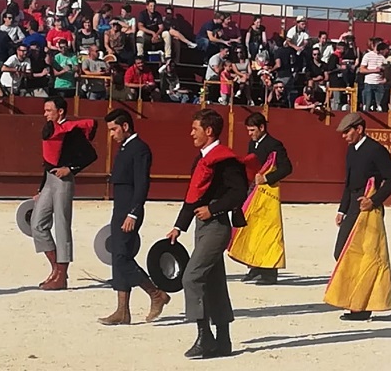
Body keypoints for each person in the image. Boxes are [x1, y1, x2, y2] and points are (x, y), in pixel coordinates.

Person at [165, 109, 254, 358]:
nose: (190, 133)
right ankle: (223, 341)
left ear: (209, 131)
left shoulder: (224, 160)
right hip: (201, 226)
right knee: (214, 282)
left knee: (191, 277)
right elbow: (193, 197)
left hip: (217, 226)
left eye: (195, 128)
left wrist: (213, 209)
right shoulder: (201, 159)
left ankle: (205, 337)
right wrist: (178, 227)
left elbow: (239, 192)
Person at [98, 109, 170, 325]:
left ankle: (156, 294)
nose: (111, 134)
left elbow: (142, 184)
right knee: (118, 256)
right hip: (120, 208)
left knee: (121, 257)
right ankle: (122, 311)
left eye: (114, 129)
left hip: (128, 209)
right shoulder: (126, 147)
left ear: (125, 126)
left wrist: (133, 213)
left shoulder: (140, 149)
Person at [331, 113, 391, 321]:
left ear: (359, 129)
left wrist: (375, 200)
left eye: (347, 132)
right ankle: (357, 302)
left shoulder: (375, 150)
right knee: (342, 252)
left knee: (362, 256)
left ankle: (360, 307)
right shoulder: (352, 150)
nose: (344, 136)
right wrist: (342, 210)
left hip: (368, 209)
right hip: (353, 206)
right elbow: (349, 182)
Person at [31, 97, 98, 290]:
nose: (45, 114)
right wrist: (40, 188)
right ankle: (57, 269)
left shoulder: (71, 130)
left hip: (63, 181)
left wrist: (70, 168)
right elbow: (47, 162)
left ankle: (60, 274)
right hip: (49, 181)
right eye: (45, 110)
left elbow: (91, 155)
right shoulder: (53, 129)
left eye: (49, 110)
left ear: (60, 112)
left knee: (61, 224)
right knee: (37, 224)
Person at [236, 112, 293, 285]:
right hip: (254, 193)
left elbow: (287, 168)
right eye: (248, 130)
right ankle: (255, 266)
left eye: (252, 130)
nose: (250, 133)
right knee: (253, 229)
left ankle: (269, 273)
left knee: (268, 231)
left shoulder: (274, 145)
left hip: (268, 196)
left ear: (262, 128)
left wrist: (267, 178)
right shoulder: (252, 143)